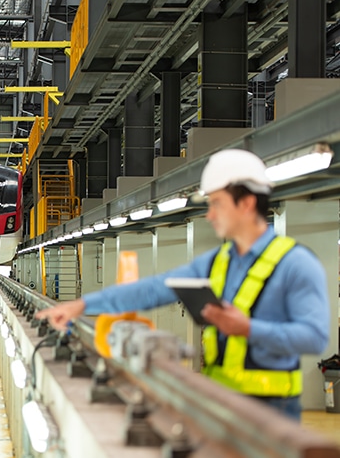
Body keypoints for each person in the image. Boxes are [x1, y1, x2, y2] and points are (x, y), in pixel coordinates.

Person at [36, 149, 329, 420]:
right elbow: (153, 290)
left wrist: (248, 329)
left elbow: (315, 337)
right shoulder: (217, 262)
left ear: (247, 203)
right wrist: (82, 305)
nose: (210, 214)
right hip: (219, 402)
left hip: (273, 410)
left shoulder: (295, 263)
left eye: (216, 204)